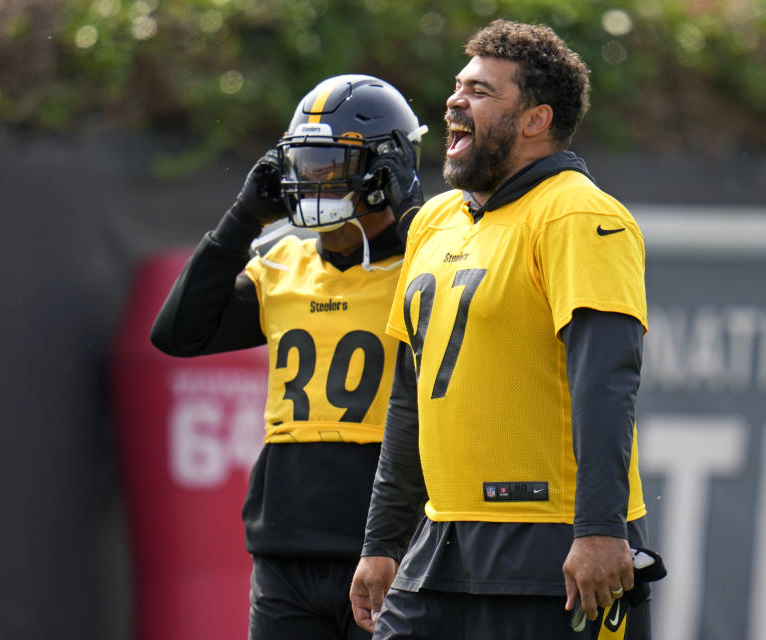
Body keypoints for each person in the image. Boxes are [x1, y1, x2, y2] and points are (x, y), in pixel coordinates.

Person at [349, 20, 664, 640]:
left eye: (481, 91)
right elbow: (412, 397)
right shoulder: (433, 221)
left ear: (535, 120)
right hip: (441, 541)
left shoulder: (578, 212)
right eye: (458, 86)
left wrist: (599, 530)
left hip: (551, 537)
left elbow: (606, 381)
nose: (454, 101)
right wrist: (383, 541)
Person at [150, 74, 427, 640]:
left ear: (386, 169)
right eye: (305, 165)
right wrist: (241, 219)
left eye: (332, 165)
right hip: (286, 548)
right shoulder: (283, 265)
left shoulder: (429, 267)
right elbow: (177, 333)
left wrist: (410, 213)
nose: (314, 182)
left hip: (389, 548)